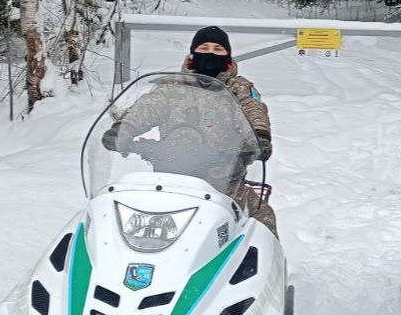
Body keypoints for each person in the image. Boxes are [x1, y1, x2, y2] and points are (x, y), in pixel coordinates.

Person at [103, 26, 277, 235]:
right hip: (169, 179)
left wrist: (259, 136)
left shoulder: (238, 87)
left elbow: (252, 110)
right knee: (120, 217)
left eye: (218, 49)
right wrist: (124, 129)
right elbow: (148, 106)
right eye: (204, 48)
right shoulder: (173, 85)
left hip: (224, 180)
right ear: (193, 53)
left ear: (228, 57)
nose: (210, 53)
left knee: (261, 217)